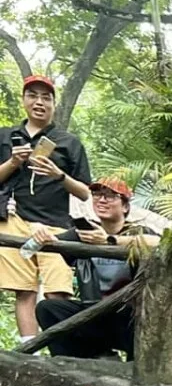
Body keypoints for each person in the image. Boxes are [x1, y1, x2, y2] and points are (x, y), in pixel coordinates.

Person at [0, 74, 93, 339]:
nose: (39, 102)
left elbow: (86, 192)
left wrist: (58, 175)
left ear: (54, 103)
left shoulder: (68, 143)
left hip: (56, 225)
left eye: (46, 97)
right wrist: (13, 163)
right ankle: (29, 354)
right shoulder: (5, 136)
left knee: (58, 292)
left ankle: (62, 351)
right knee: (23, 290)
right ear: (24, 101)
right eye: (33, 95)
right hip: (14, 219)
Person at [32, 175, 157, 361]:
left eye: (110, 196)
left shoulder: (138, 232)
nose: (102, 200)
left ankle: (134, 368)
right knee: (48, 308)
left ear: (125, 206)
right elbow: (43, 243)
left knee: (144, 317)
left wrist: (109, 241)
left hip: (130, 316)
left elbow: (158, 242)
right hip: (94, 312)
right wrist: (41, 235)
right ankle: (75, 365)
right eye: (97, 195)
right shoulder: (84, 233)